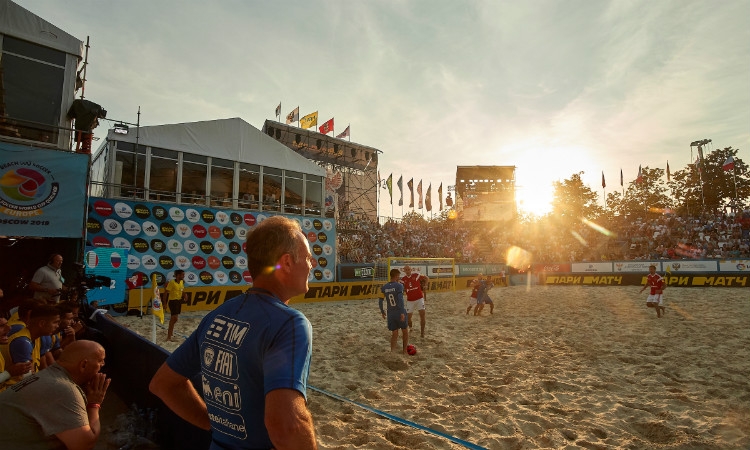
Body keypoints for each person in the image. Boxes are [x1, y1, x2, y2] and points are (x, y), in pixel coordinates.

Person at [150, 216, 318, 449]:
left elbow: (163, 384)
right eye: (308, 258)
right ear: (287, 262)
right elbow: (286, 426)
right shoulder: (289, 323)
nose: (313, 264)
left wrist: (214, 425)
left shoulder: (217, 315)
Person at [0, 340, 111, 450]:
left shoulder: (48, 375)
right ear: (84, 364)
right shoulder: (63, 389)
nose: (103, 365)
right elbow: (84, 445)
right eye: (100, 361)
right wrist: (94, 404)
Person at [0, 303, 60, 388]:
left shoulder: (37, 338)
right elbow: (28, 381)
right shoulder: (22, 342)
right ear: (42, 323)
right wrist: (9, 373)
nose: (57, 326)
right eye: (55, 322)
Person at [380, 268, 409, 353]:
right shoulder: (399, 286)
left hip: (390, 313)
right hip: (399, 311)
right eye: (398, 276)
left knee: (394, 333)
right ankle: (404, 351)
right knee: (405, 331)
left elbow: (380, 301)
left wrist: (382, 311)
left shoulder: (384, 287)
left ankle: (392, 351)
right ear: (396, 276)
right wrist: (402, 312)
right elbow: (400, 299)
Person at [0, 317, 33, 391]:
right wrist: (9, 373)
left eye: (7, 324)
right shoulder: (21, 341)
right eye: (1, 326)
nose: (9, 328)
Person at [401, 265, 428, 337]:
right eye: (406, 270)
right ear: (404, 271)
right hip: (410, 300)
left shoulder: (416, 275)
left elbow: (426, 278)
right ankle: (411, 328)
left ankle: (422, 333)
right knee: (408, 317)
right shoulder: (403, 279)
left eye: (408, 269)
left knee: (422, 314)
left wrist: (425, 285)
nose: (407, 271)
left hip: (419, 298)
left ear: (411, 270)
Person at [164, 270, 187, 341]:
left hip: (178, 301)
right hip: (173, 301)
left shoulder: (181, 282)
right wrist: (164, 303)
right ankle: (168, 337)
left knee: (175, 319)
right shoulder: (172, 282)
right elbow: (166, 293)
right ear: (178, 275)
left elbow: (182, 290)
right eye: (182, 275)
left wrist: (185, 295)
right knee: (173, 318)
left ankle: (170, 333)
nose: (184, 276)